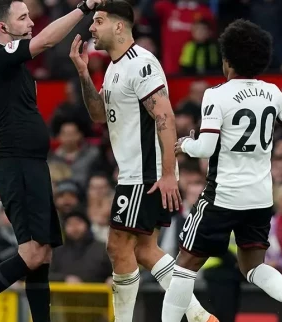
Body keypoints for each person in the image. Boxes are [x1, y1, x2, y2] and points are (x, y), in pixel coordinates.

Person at [0, 0, 103, 321]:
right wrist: (84, 7)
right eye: (23, 17)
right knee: (31, 253)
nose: (31, 22)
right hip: (18, 164)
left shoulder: (14, 70)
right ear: (3, 28)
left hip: (28, 166)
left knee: (43, 254)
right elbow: (46, 41)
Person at [69, 1, 216, 321]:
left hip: (144, 172)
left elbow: (164, 115)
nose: (91, 28)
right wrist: (83, 74)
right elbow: (98, 115)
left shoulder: (141, 63)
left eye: (98, 21)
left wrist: (166, 174)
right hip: (136, 172)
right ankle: (199, 315)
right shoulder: (113, 67)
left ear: (119, 26)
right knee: (144, 250)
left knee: (116, 246)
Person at [163, 19, 282, 322]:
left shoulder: (217, 95)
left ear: (227, 59)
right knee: (253, 266)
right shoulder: (272, 92)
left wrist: (185, 145)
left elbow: (205, 148)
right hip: (259, 198)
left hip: (223, 196)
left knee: (183, 266)